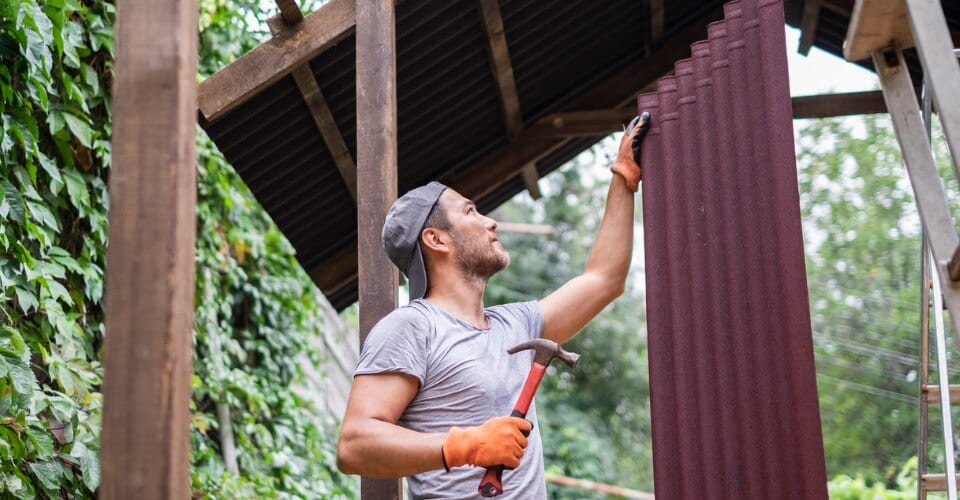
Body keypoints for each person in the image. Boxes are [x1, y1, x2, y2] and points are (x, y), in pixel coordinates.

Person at [336, 114, 650, 498]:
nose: (491, 223)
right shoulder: (412, 327)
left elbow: (603, 280)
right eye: (470, 212)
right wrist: (467, 446)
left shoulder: (517, 325)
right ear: (436, 239)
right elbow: (355, 444)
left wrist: (622, 177)